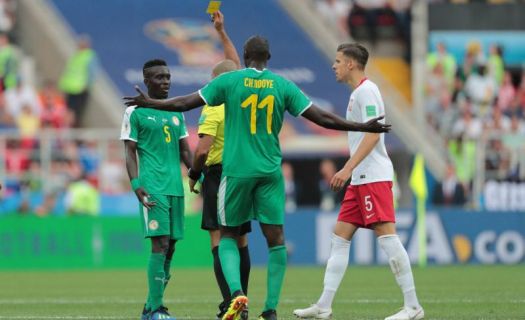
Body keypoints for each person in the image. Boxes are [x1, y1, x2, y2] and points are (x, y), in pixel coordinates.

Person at [124, 36, 390, 320]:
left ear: (245, 55)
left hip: (236, 172)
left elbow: (184, 103)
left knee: (227, 234)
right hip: (270, 172)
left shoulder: (230, 81)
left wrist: (150, 102)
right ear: (269, 57)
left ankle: (236, 293)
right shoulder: (282, 84)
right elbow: (321, 117)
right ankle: (271, 309)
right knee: (275, 239)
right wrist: (359, 125)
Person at [293, 43, 424, 320]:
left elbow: (374, 134)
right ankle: (324, 305)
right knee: (339, 238)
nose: (334, 65)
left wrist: (347, 168)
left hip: (373, 176)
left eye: (338, 60)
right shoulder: (357, 94)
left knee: (387, 238)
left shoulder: (368, 91)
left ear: (351, 64)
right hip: (361, 178)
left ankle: (413, 306)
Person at [186, 11, 252, 320]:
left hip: (217, 174)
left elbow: (203, 149)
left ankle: (230, 301)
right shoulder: (242, 98)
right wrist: (222, 33)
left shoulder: (214, 106)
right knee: (240, 238)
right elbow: (233, 65)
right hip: (243, 171)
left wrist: (194, 172)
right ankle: (243, 299)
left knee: (217, 238)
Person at [120, 58, 193, 320]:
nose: (165, 82)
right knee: (160, 245)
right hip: (153, 187)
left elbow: (186, 151)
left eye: (168, 77)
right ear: (147, 81)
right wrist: (136, 184)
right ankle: (157, 309)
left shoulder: (177, 111)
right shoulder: (135, 112)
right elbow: (129, 151)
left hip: (176, 188)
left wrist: (201, 176)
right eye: (159, 77)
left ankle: (151, 306)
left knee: (171, 247)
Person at [59, 35, 98, 127]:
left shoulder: (89, 56)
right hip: (71, 88)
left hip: (80, 88)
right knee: (69, 112)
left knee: (77, 113)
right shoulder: (77, 55)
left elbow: (92, 73)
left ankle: (75, 130)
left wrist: (87, 85)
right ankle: (69, 128)